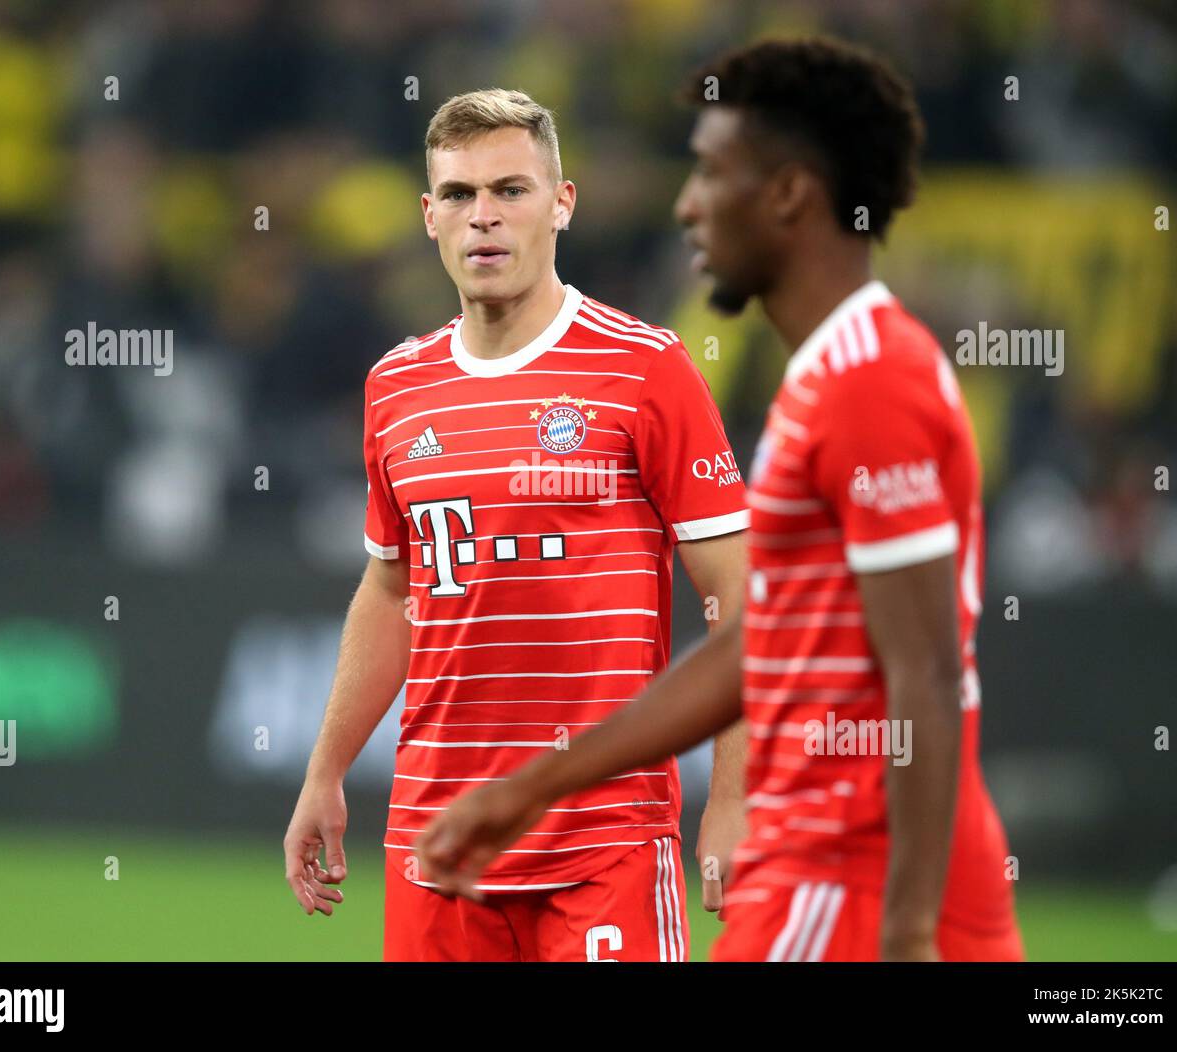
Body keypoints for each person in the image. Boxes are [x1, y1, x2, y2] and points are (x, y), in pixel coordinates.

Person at [416, 40, 1024, 963]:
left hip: (849, 861)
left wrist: (904, 932)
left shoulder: (871, 385)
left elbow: (928, 675)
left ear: (785, 195)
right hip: (814, 855)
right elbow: (759, 642)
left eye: (709, 172)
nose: (687, 203)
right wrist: (538, 786)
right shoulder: (820, 380)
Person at [282, 88, 749, 961]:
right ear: (429, 217)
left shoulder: (644, 370)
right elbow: (391, 591)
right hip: (439, 844)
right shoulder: (396, 387)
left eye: (512, 190)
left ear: (562, 203)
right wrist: (325, 770)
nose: (484, 217)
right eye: (459, 195)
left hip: (603, 840)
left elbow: (742, 598)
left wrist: (733, 798)